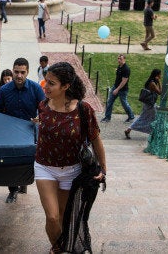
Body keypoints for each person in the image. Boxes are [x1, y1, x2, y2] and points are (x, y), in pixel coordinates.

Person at [33, 62, 106, 253]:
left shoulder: (83, 110)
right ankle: (58, 248)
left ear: (65, 86)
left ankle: (59, 247)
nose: (45, 86)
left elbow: (96, 140)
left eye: (51, 83)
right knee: (52, 217)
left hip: (72, 170)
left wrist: (102, 168)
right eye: (45, 81)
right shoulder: (42, 106)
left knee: (65, 215)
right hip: (44, 167)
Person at [0, 58, 46, 203]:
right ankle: (12, 190)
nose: (19, 75)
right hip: (10, 132)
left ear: (27, 72)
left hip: (29, 132)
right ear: (13, 70)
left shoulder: (36, 88)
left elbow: (44, 109)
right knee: (10, 163)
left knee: (27, 161)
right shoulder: (4, 90)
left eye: (22, 72)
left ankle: (24, 182)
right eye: (16, 72)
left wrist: (39, 117)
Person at [124, 69, 161, 139]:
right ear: (157, 75)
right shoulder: (153, 83)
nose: (160, 76)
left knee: (144, 117)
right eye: (160, 74)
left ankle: (129, 129)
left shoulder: (149, 81)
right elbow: (160, 92)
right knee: (153, 118)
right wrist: (159, 82)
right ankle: (153, 133)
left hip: (147, 103)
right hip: (150, 105)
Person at [101, 54, 134, 123]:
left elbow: (124, 81)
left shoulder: (126, 69)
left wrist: (117, 89)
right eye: (118, 58)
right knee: (110, 101)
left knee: (124, 103)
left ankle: (131, 117)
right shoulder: (119, 66)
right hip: (115, 87)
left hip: (122, 90)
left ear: (124, 59)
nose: (119, 60)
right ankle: (107, 117)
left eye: (120, 59)